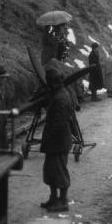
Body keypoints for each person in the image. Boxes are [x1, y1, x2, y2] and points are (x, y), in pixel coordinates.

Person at [39, 66, 75, 212]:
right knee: (50, 171)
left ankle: (63, 201)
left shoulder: (61, 98)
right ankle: (54, 198)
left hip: (58, 141)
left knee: (59, 171)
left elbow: (59, 123)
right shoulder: (58, 94)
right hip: (56, 141)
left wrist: (49, 137)